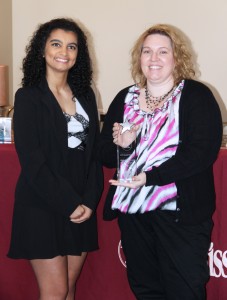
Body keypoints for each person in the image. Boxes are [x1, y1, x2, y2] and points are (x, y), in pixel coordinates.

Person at [98, 24, 222, 300]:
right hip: (134, 212)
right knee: (146, 289)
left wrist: (150, 177)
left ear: (177, 58)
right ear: (139, 58)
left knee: (185, 290)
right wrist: (124, 145)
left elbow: (201, 153)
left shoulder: (196, 95)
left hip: (180, 214)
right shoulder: (125, 98)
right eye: (147, 51)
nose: (154, 58)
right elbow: (105, 152)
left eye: (163, 51)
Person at [8, 18, 103, 300]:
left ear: (78, 54)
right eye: (56, 44)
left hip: (81, 205)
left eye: (72, 46)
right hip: (42, 204)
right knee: (55, 291)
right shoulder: (27, 97)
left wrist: (89, 200)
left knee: (69, 289)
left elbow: (94, 155)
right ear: (42, 50)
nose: (64, 51)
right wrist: (70, 203)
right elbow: (33, 162)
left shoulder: (86, 95)